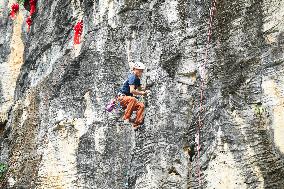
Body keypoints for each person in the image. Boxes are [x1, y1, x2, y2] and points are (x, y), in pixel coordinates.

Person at [117, 62, 148, 129]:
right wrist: (142, 93)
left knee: (141, 106)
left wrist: (146, 89)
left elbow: (140, 89)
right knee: (133, 99)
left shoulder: (137, 79)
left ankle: (136, 123)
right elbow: (132, 91)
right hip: (122, 98)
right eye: (139, 71)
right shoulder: (132, 77)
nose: (141, 72)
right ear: (134, 69)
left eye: (141, 71)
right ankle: (126, 118)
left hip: (128, 100)